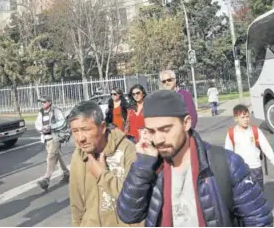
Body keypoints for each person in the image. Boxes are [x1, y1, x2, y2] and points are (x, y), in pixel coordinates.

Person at [117, 90, 273, 227]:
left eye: (165, 129)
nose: (158, 139)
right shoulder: (150, 166)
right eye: (151, 131)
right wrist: (143, 165)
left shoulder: (226, 164)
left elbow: (259, 220)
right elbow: (129, 214)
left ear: (186, 123)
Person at [67, 101, 142, 227]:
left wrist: (102, 175)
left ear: (102, 127)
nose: (80, 138)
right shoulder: (78, 156)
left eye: (86, 130)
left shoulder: (127, 151)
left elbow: (135, 201)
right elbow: (77, 206)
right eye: (75, 131)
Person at [225, 104, 274, 191]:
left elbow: (266, 148)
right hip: (240, 170)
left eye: (247, 117)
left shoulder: (255, 131)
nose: (246, 120)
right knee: (244, 197)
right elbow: (228, 154)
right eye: (242, 117)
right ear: (236, 118)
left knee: (258, 194)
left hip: (256, 169)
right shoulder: (231, 133)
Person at [35, 96, 70, 190]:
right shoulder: (41, 112)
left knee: (50, 157)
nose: (42, 104)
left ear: (49, 102)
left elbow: (62, 122)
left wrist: (51, 127)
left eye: (44, 102)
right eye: (41, 102)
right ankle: (67, 173)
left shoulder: (55, 111)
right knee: (56, 156)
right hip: (46, 139)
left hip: (55, 138)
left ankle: (46, 179)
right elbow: (37, 124)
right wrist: (41, 128)